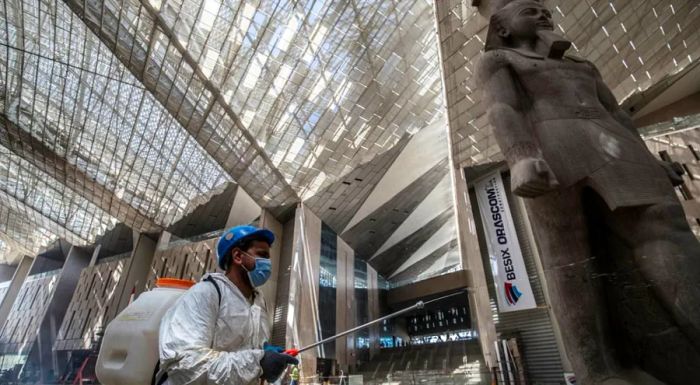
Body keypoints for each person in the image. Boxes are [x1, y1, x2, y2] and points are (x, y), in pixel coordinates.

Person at [477, 1, 700, 384]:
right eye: (531, 11)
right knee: (570, 261)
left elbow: (617, 114)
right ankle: (598, 371)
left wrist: (649, 158)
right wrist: (520, 157)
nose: (544, 14)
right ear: (502, 27)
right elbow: (503, 107)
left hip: (615, 147)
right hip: (552, 150)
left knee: (667, 230)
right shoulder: (498, 60)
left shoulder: (581, 65)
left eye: (545, 9)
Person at [158, 225, 298, 384]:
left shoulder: (259, 302)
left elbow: (245, 350)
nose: (268, 263)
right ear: (238, 256)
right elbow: (186, 365)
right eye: (262, 255)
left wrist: (265, 352)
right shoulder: (205, 293)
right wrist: (258, 361)